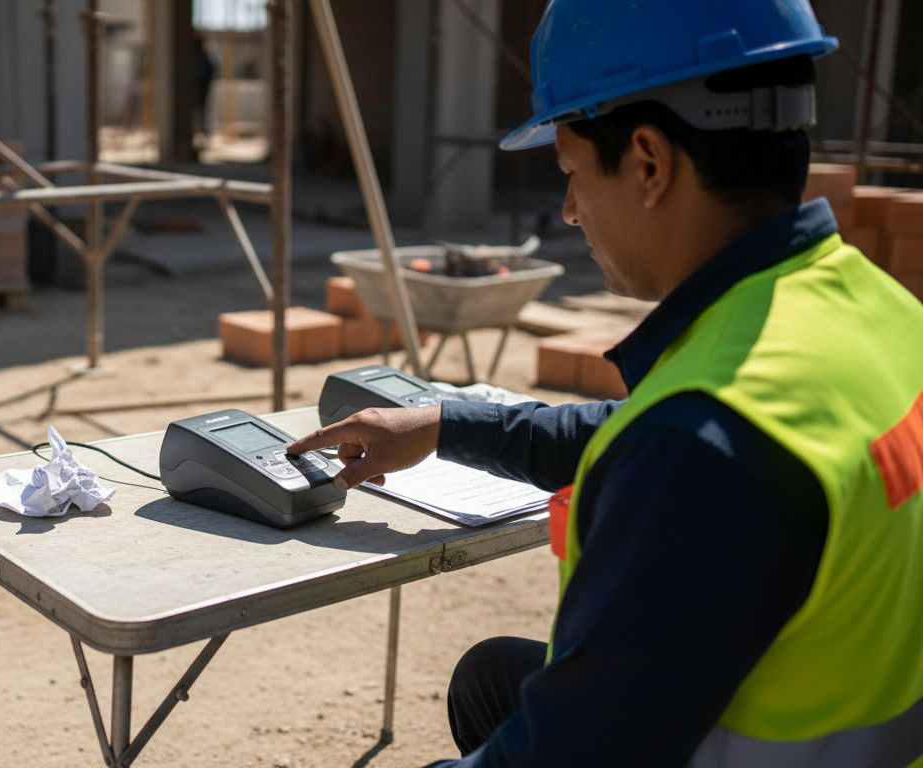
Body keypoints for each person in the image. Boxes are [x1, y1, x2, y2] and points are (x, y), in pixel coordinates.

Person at [287, 1, 923, 765]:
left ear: (649, 163)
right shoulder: (875, 310)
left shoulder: (703, 448)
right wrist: (447, 424)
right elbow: (641, 433)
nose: (569, 209)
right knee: (492, 678)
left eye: (570, 171)